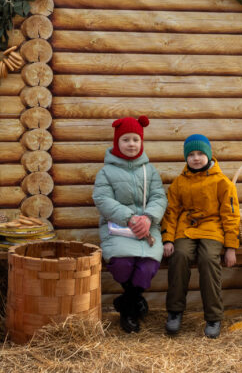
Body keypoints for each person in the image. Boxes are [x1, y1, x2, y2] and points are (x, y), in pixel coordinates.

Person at [93, 116, 167, 333]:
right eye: (126, 139)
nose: (131, 144)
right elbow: (103, 199)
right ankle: (133, 306)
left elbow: (159, 197)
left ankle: (127, 306)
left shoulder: (150, 170)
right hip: (118, 228)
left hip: (148, 227)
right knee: (121, 265)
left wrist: (148, 218)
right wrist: (130, 218)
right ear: (117, 142)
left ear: (141, 141)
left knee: (148, 267)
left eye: (135, 139)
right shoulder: (105, 172)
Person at [162, 134, 240, 339]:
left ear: (209, 155)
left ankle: (213, 317)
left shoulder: (222, 182)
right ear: (186, 158)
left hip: (212, 228)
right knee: (179, 256)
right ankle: (174, 312)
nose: (196, 158)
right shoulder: (179, 183)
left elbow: (231, 216)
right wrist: (168, 239)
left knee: (208, 260)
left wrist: (231, 247)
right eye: (191, 154)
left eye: (200, 154)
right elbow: (171, 212)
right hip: (185, 228)